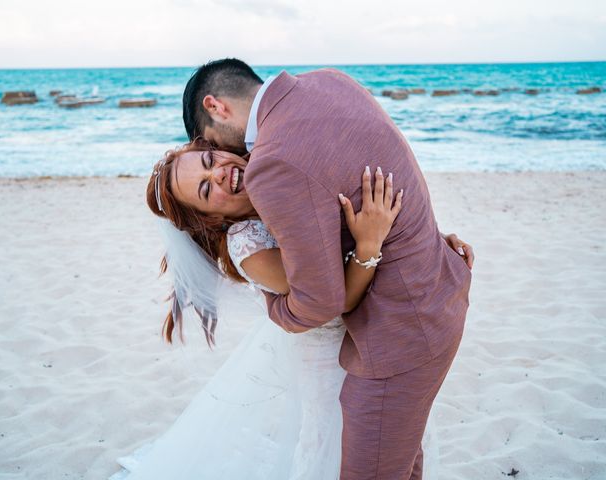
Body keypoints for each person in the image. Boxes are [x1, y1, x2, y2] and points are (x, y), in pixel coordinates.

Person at [109, 140, 472, 479]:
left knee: (399, 439)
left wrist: (430, 244)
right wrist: (369, 242)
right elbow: (336, 299)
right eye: (206, 189)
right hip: (333, 360)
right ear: (211, 219)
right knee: (338, 449)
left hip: (378, 333)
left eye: (209, 161)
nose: (218, 173)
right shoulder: (248, 246)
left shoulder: (282, 178)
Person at [182, 58, 473, 479]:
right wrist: (425, 236)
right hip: (440, 290)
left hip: (400, 335)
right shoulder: (333, 80)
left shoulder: (269, 163)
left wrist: (274, 308)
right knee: (403, 463)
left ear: (216, 106)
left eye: (214, 145)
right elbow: (386, 173)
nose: (230, 156)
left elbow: (319, 303)